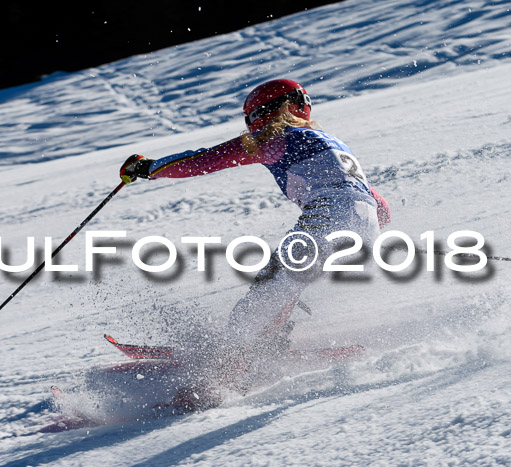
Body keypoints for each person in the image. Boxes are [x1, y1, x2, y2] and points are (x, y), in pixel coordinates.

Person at [120, 79, 391, 384]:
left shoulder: (276, 137)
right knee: (285, 283)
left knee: (268, 289)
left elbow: (204, 160)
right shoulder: (328, 140)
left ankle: (225, 371)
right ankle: (265, 341)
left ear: (262, 114)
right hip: (366, 230)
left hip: (328, 218)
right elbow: (382, 208)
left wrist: (149, 167)